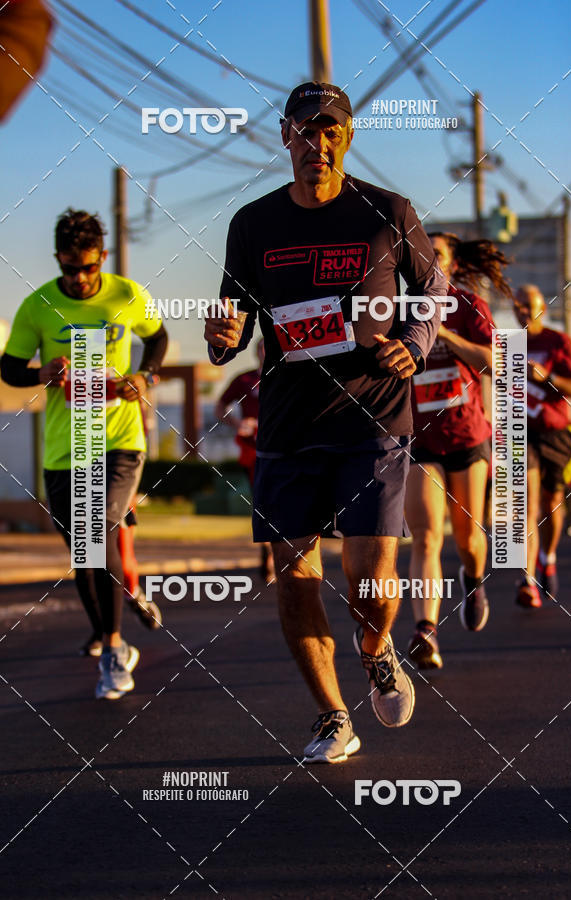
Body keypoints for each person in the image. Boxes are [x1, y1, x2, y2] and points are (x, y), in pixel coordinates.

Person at [204, 81, 445, 763]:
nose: (319, 142)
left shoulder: (387, 211)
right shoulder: (253, 224)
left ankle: (376, 648)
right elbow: (233, 317)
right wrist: (220, 337)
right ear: (285, 136)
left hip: (373, 415)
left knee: (369, 582)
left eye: (332, 129)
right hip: (288, 419)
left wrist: (418, 343)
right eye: (306, 130)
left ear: (348, 136)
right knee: (294, 574)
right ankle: (332, 715)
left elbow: (433, 290)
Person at [0, 209, 168, 697]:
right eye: (69, 268)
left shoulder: (126, 294)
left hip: (118, 437)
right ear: (58, 259)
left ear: (103, 259)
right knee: (84, 550)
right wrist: (40, 374)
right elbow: (8, 368)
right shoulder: (38, 306)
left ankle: (115, 649)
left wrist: (145, 377)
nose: (78, 278)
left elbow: (155, 339)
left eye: (88, 267)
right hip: (65, 446)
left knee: (102, 528)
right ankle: (107, 626)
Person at [405, 233, 511, 669]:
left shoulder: (469, 305)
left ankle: (472, 580)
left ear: (452, 263)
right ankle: (425, 631)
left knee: (468, 539)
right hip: (419, 440)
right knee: (427, 536)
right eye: (424, 255)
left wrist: (446, 335)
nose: (430, 261)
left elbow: (498, 362)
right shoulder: (400, 307)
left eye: (439, 255)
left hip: (468, 436)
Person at [512, 285, 571, 607]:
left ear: (542, 306)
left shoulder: (557, 342)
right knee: (526, 503)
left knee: (551, 502)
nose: (522, 310)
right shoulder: (507, 344)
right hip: (521, 434)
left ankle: (548, 555)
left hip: (555, 432)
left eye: (528, 304)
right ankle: (526, 579)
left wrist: (546, 377)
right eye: (517, 305)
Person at [215, 338, 274, 581]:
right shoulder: (245, 380)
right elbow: (220, 406)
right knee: (262, 502)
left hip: (285, 449)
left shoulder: (288, 376)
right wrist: (237, 423)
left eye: (267, 347)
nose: (264, 352)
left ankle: (282, 550)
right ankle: (267, 551)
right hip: (254, 452)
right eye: (261, 348)